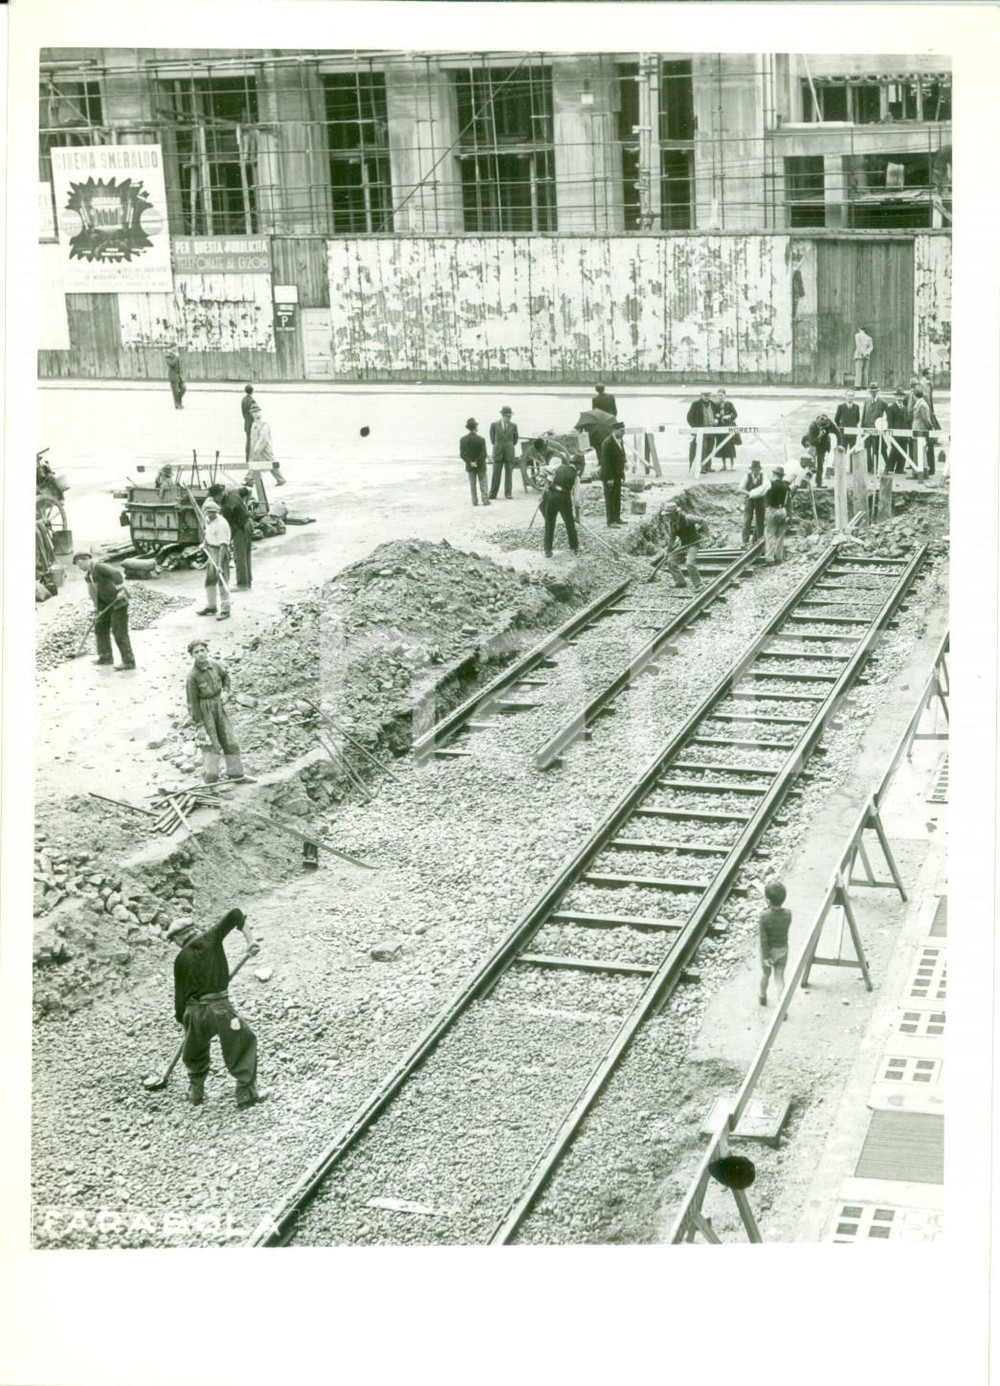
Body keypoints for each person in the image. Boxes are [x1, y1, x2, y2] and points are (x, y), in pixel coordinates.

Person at [169, 908, 266, 1110]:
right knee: (241, 1043)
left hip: (193, 1013)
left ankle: (196, 1093)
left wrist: (186, 1024)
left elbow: (179, 999)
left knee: (194, 1052)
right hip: (220, 1008)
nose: (175, 944)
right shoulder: (210, 937)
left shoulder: (180, 960)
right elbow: (236, 914)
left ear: (179, 937)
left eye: (174, 940)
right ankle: (245, 1094)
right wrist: (250, 941)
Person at [185, 638, 254, 784]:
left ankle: (237, 775)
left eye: (202, 650)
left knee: (230, 740)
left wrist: (226, 692)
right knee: (211, 746)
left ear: (207, 651)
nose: (200, 654)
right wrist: (200, 725)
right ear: (192, 655)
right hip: (205, 710)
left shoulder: (215, 665)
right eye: (196, 652)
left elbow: (226, 677)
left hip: (219, 707)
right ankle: (211, 781)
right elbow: (192, 703)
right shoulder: (192, 676)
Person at [73, 552, 136, 671]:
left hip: (118, 602)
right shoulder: (89, 575)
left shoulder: (99, 566)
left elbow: (116, 573)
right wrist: (96, 609)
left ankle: (129, 662)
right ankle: (105, 657)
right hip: (105, 604)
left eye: (78, 564)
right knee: (100, 627)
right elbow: (94, 593)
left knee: (119, 632)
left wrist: (120, 590)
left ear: (81, 560)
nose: (79, 568)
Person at [208, 482, 254, 590]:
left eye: (214, 497)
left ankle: (242, 585)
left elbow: (228, 528)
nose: (214, 500)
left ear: (219, 495)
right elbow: (248, 491)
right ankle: (247, 581)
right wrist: (245, 505)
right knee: (246, 554)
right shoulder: (233, 491)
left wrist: (224, 542)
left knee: (239, 556)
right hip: (249, 522)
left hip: (241, 527)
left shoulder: (227, 507)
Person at [748, 465, 793, 565]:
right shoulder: (786, 487)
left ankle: (769, 559)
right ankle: (779, 558)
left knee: (770, 534)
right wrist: (790, 516)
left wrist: (750, 494)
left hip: (772, 510)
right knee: (780, 535)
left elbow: (756, 493)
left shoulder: (770, 484)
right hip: (782, 510)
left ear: (774, 474)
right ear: (782, 476)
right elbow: (789, 502)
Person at [197, 497, 232, 620]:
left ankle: (225, 609)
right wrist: (205, 543)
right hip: (211, 550)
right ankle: (211, 606)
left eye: (212, 512)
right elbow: (208, 534)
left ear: (217, 512)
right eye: (208, 512)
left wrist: (219, 564)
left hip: (220, 551)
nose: (209, 514)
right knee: (210, 580)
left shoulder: (221, 524)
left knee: (222, 580)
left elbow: (223, 545)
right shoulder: (208, 520)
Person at [758, 879, 792, 1006]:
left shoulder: (764, 917)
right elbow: (778, 917)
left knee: (765, 974)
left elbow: (763, 939)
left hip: (769, 952)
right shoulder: (788, 914)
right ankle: (782, 1006)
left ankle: (762, 996)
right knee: (779, 978)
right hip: (782, 950)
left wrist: (766, 956)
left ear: (768, 900)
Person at [542, 454, 580, 559]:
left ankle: (547, 550)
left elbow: (543, 469)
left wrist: (547, 484)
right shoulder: (576, 477)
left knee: (549, 523)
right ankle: (574, 548)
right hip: (564, 499)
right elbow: (576, 499)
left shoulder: (558, 467)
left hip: (552, 496)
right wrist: (577, 516)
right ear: (579, 466)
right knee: (569, 523)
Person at [661, 503, 704, 589]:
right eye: (667, 515)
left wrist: (707, 535)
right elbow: (672, 539)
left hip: (694, 543)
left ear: (675, 513)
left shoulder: (687, 518)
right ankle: (680, 582)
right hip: (683, 544)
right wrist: (667, 551)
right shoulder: (672, 524)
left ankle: (698, 584)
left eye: (669, 515)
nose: (668, 517)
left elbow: (703, 521)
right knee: (671, 561)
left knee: (689, 564)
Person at [248, 400, 287, 486]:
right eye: (253, 412)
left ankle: (281, 479)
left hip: (265, 447)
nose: (255, 414)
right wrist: (253, 447)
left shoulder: (264, 423)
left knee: (270, 462)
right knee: (255, 462)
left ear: (259, 411)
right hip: (256, 447)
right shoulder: (254, 423)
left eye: (256, 411)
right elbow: (253, 437)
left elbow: (264, 437)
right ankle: (249, 479)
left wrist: (257, 448)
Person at [599, 418, 627, 527]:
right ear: (615, 431)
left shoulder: (620, 440)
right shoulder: (607, 443)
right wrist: (609, 478)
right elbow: (605, 462)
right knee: (610, 498)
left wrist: (625, 461)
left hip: (617, 474)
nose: (624, 433)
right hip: (609, 475)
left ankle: (617, 518)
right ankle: (610, 521)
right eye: (622, 431)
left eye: (624, 431)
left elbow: (622, 453)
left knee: (617, 496)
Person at [802, 412, 843, 485]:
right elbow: (812, 442)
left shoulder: (829, 422)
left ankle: (819, 482)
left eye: (824, 427)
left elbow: (838, 432)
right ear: (818, 425)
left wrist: (839, 444)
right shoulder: (813, 426)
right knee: (811, 462)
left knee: (820, 462)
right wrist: (820, 436)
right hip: (813, 441)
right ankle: (805, 481)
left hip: (823, 444)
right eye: (821, 427)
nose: (822, 429)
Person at [489, 406, 520, 499]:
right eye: (508, 416)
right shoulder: (494, 425)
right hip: (498, 453)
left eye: (510, 416)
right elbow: (492, 439)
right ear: (502, 415)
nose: (509, 418)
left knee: (509, 474)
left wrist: (508, 446)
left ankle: (508, 493)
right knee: (496, 474)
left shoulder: (514, 426)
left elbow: (515, 439)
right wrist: (499, 446)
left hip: (509, 453)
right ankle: (493, 493)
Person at [460, 417, 489, 507]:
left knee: (472, 485)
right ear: (475, 427)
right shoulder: (481, 439)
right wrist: (477, 462)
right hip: (481, 465)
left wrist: (470, 462)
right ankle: (485, 500)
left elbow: (462, 454)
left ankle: (474, 501)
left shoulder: (463, 439)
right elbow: (484, 454)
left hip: (470, 466)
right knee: (483, 483)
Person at [686, 389, 717, 472]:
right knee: (702, 448)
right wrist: (695, 428)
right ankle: (702, 467)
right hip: (701, 431)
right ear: (701, 395)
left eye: (708, 395)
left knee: (710, 449)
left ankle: (708, 467)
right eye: (705, 395)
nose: (707, 397)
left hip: (712, 430)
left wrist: (716, 421)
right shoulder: (696, 404)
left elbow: (716, 415)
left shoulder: (713, 404)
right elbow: (689, 417)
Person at [861, 383, 887, 475]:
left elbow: (887, 416)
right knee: (867, 449)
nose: (873, 393)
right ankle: (869, 467)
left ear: (877, 392)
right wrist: (862, 429)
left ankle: (875, 467)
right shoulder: (866, 401)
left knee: (875, 449)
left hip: (876, 431)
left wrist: (883, 426)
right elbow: (863, 416)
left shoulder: (882, 402)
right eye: (871, 391)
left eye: (874, 391)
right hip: (866, 430)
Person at [712, 389, 740, 471]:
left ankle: (732, 465)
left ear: (725, 396)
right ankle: (724, 465)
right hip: (720, 427)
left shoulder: (729, 404)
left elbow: (735, 414)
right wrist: (716, 417)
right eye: (718, 395)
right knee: (721, 445)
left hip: (729, 426)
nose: (720, 397)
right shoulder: (715, 405)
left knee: (730, 445)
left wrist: (729, 417)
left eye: (721, 395)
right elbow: (713, 414)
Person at [884, 389, 909, 475]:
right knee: (893, 451)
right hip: (895, 434)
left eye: (901, 396)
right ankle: (888, 469)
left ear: (903, 397)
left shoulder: (905, 408)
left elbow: (907, 421)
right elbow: (890, 422)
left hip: (904, 434)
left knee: (904, 451)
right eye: (898, 396)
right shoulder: (891, 408)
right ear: (895, 397)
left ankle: (900, 468)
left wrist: (908, 433)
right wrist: (890, 435)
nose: (900, 398)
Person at [741, 459, 765, 546]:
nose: (755, 472)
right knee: (747, 520)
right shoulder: (747, 477)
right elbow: (740, 488)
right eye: (753, 470)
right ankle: (745, 541)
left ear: (759, 470)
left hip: (760, 500)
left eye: (757, 470)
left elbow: (767, 486)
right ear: (751, 470)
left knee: (760, 520)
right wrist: (750, 493)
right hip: (750, 500)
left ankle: (759, 539)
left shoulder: (763, 477)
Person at [911, 387, 935, 476]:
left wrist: (930, 427)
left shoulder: (921, 405)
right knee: (918, 451)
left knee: (919, 451)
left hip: (920, 430)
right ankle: (920, 471)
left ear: (914, 396)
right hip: (918, 429)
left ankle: (921, 472)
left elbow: (925, 418)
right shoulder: (921, 403)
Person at [834, 389, 861, 454]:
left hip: (853, 433)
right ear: (846, 396)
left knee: (853, 452)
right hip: (843, 434)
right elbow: (836, 419)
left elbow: (857, 419)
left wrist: (852, 425)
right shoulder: (840, 407)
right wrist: (841, 427)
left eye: (852, 396)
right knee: (842, 452)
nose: (850, 397)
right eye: (849, 396)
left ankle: (852, 461)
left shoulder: (856, 407)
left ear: (853, 397)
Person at [241, 385, 255, 464]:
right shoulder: (252, 401)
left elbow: (243, 412)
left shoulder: (243, 400)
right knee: (252, 441)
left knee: (248, 441)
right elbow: (254, 414)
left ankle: (247, 458)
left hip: (246, 423)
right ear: (252, 391)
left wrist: (246, 419)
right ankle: (250, 458)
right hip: (251, 424)